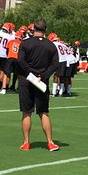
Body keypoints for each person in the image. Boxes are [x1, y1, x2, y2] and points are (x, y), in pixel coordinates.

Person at [16, 20, 60, 151]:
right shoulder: (51, 45)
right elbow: (55, 64)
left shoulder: (25, 43)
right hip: (41, 81)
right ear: (45, 30)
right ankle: (50, 142)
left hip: (27, 79)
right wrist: (43, 75)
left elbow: (21, 61)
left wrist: (32, 73)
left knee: (26, 112)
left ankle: (26, 142)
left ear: (33, 29)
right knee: (43, 112)